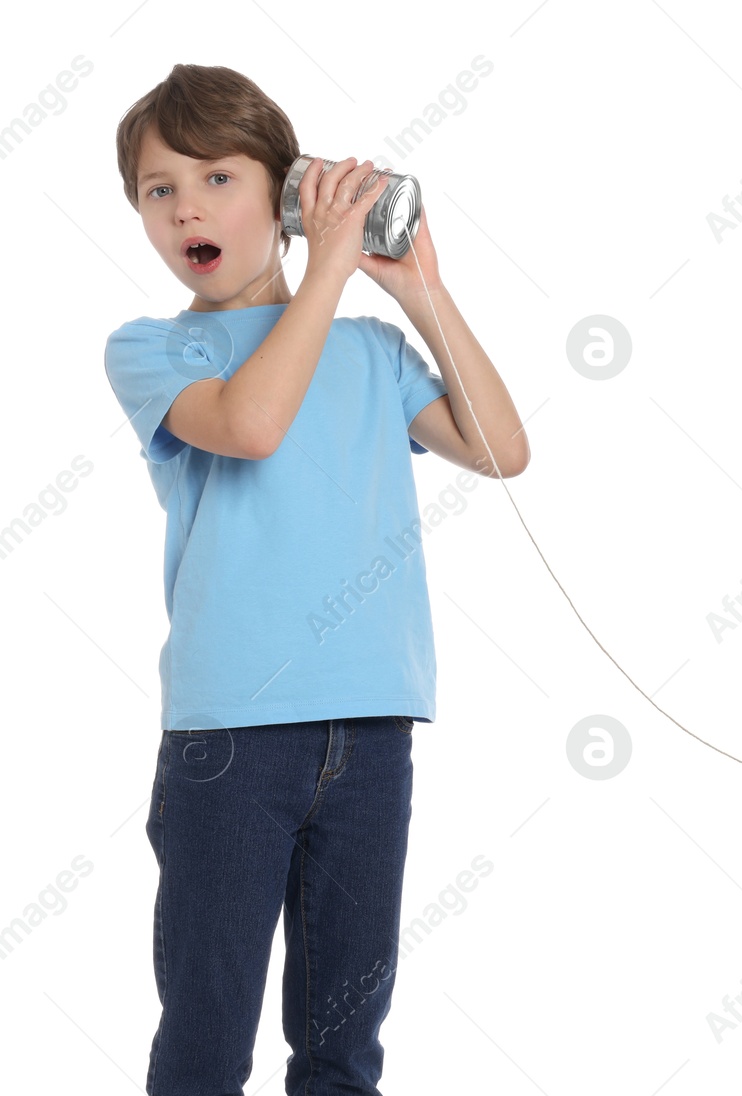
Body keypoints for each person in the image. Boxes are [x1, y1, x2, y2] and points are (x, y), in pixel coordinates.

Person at [102, 64, 529, 1095]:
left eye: (217, 177)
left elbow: (500, 447)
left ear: (285, 196)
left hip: (374, 724)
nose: (188, 206)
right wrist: (326, 273)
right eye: (160, 189)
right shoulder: (155, 348)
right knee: (207, 1034)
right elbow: (249, 425)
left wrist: (420, 289)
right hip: (230, 740)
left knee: (344, 1042)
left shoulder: (372, 352)